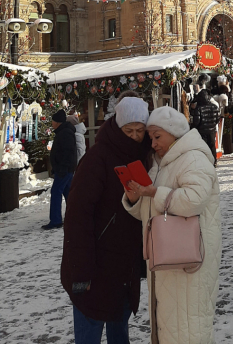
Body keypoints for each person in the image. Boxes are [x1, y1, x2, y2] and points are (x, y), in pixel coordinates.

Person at [123, 106, 221, 344]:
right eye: (151, 138)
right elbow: (156, 210)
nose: (153, 143)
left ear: (174, 133)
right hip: (169, 260)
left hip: (189, 263)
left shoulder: (194, 157)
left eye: (158, 136)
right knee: (172, 328)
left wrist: (154, 192)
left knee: (189, 328)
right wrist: (135, 197)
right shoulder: (162, 162)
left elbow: (193, 200)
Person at [60, 96, 152, 342]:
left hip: (123, 267)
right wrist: (81, 272)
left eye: (140, 131)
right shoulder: (97, 158)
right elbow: (78, 217)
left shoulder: (144, 156)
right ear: (117, 126)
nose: (134, 136)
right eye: (129, 130)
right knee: (89, 333)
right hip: (94, 266)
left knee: (119, 332)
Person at [43, 109, 77, 230]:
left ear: (58, 122)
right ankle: (75, 216)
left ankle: (56, 220)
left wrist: (61, 168)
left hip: (64, 169)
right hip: (64, 169)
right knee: (68, 193)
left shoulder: (65, 133)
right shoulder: (63, 132)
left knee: (56, 192)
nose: (52, 123)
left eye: (53, 120)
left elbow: (67, 153)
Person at [192, 88, 220, 166]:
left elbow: (196, 121)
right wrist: (213, 125)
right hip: (212, 130)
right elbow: (217, 119)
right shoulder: (214, 106)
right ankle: (214, 161)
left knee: (203, 147)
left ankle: (205, 162)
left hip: (202, 131)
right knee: (212, 146)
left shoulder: (199, 108)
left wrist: (193, 127)